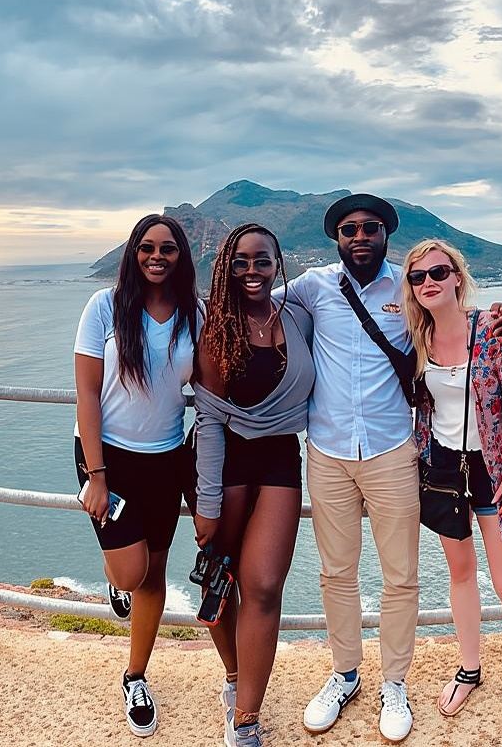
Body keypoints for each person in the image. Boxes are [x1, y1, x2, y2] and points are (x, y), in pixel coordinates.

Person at [281, 194, 502, 743]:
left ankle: (394, 681)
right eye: (347, 230)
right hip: (329, 453)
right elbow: (248, 304)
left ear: (386, 234)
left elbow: (463, 324)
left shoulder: (409, 288)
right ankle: (343, 674)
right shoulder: (313, 287)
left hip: (393, 453)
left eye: (369, 228)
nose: (359, 236)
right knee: (335, 573)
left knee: (400, 577)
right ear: (335, 238)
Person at [73, 213, 232, 738]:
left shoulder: (197, 315)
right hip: (107, 458)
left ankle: (135, 675)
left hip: (165, 459)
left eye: (168, 248)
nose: (157, 256)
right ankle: (119, 578)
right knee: (128, 574)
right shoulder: (104, 308)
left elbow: (211, 397)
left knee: (153, 574)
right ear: (133, 252)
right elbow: (88, 396)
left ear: (182, 256)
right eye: (147, 247)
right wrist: (96, 476)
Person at [400, 238, 502, 734]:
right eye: (418, 277)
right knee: (461, 574)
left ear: (457, 278)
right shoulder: (416, 338)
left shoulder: (491, 329)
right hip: (443, 469)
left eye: (438, 273)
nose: (428, 283)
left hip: (494, 470)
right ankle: (469, 668)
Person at [192, 223, 316, 747]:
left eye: (261, 261)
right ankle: (234, 677)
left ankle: (245, 719)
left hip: (282, 457)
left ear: (276, 265)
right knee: (220, 579)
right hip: (226, 462)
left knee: (263, 586)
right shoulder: (215, 326)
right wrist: (207, 502)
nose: (251, 271)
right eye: (240, 262)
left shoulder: (299, 317)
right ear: (225, 267)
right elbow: (211, 418)